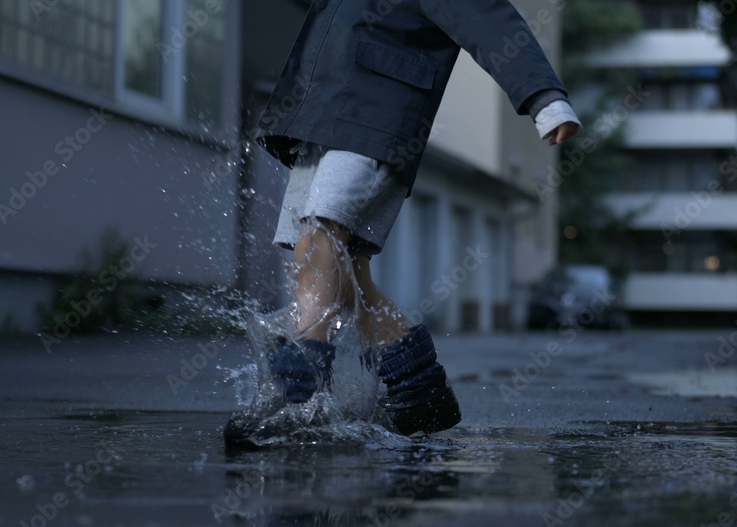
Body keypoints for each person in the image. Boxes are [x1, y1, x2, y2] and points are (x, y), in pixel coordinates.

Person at [224, 0, 582, 445]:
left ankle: (295, 401)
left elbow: (487, 17)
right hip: (318, 118)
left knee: (321, 238)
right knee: (343, 267)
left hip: (375, 117)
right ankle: (421, 393)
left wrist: (543, 97)